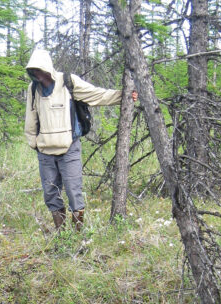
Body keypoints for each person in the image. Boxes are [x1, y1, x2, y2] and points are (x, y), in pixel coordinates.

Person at [24, 49, 138, 231]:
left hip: (69, 147)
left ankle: (77, 234)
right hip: (45, 151)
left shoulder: (68, 82)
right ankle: (61, 236)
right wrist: (33, 142)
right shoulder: (33, 89)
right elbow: (31, 116)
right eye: (34, 71)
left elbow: (96, 95)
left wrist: (123, 95)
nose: (37, 74)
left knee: (73, 191)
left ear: (47, 68)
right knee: (50, 194)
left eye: (39, 70)